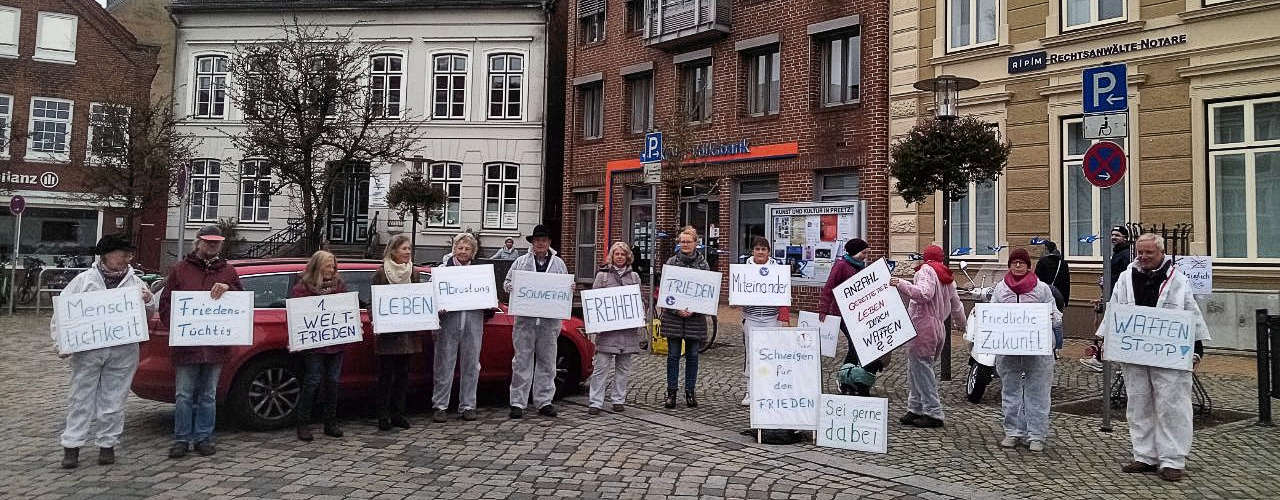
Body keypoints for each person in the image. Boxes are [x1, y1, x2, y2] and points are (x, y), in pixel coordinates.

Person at [1105, 233, 1209, 482]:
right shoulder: (1125, 278)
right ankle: (1144, 454)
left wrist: (1196, 349)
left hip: (1169, 354)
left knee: (1172, 404)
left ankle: (1172, 459)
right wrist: (1105, 342)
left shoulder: (1178, 280)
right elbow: (1115, 311)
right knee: (1138, 402)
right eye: (1140, 252)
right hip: (1135, 351)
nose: (1143, 257)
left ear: (1161, 253)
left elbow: (1191, 315)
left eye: (1149, 252)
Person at [53, 235, 154, 469]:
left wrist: (148, 301)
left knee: (115, 397)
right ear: (107, 255)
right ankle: (72, 445)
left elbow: (147, 315)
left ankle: (107, 444)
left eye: (129, 255)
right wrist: (61, 343)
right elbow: (63, 313)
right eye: (123, 254)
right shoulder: (84, 281)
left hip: (123, 350)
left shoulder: (135, 283)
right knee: (80, 397)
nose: (127, 259)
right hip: (89, 349)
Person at [157, 225, 244, 459]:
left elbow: (240, 303)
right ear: (198, 242)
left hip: (216, 346)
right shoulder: (180, 270)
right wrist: (178, 330)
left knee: (208, 395)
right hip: (187, 346)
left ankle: (204, 437)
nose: (212, 245)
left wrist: (229, 288)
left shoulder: (229, 272)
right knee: (184, 395)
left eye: (216, 242)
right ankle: (182, 439)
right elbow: (165, 304)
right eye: (207, 241)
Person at [990, 248, 1062, 452]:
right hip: (1009, 348)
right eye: (1014, 262)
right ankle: (1013, 431)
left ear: (1029, 266)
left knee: (1037, 391)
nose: (1018, 265)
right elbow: (993, 311)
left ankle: (1036, 435)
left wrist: (1051, 318)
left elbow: (1056, 315)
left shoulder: (1041, 288)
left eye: (1022, 262)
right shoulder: (1001, 288)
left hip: (1038, 349)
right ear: (1009, 265)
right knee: (1010, 390)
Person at [891, 244, 965, 428]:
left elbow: (924, 294)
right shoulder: (947, 276)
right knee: (916, 368)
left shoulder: (926, 270)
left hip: (923, 325)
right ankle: (915, 407)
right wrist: (962, 325)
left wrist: (901, 283)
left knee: (921, 370)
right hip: (938, 326)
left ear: (925, 257)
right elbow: (957, 305)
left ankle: (933, 412)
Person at [504, 224, 570, 419]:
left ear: (549, 242)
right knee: (521, 361)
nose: (540, 243)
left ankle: (544, 401)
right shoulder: (521, 262)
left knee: (547, 361)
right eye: (537, 240)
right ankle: (518, 402)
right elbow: (507, 282)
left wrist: (570, 288)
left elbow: (564, 288)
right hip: (525, 321)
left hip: (549, 322)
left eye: (544, 240)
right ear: (532, 243)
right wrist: (511, 287)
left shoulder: (558, 264)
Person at [290, 250, 350, 441]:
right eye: (327, 266)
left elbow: (346, 309)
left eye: (333, 266)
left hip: (335, 342)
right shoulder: (303, 288)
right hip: (314, 344)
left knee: (333, 381)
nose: (331, 269)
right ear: (317, 266)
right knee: (312, 381)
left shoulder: (339, 285)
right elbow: (298, 316)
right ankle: (303, 423)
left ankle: (330, 422)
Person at [818, 238, 886, 396]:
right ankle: (844, 377)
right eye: (863, 253)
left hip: (857, 314)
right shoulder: (841, 265)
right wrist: (823, 310)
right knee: (855, 346)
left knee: (857, 346)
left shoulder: (860, 266)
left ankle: (851, 378)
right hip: (841, 313)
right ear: (855, 252)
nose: (865, 256)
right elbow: (829, 287)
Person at [432, 233, 487, 422]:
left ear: (473, 252)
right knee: (444, 364)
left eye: (467, 248)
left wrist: (488, 304)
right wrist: (438, 308)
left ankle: (468, 405)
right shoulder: (442, 271)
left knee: (472, 365)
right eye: (460, 247)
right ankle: (440, 405)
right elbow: (431, 296)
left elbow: (489, 298)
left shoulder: (480, 273)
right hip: (448, 323)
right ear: (454, 249)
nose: (463, 251)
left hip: (473, 322)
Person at [371, 234, 423, 431]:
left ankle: (398, 413)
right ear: (393, 251)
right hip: (388, 334)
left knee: (403, 375)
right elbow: (373, 301)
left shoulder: (414, 273)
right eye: (404, 249)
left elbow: (419, 299)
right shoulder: (381, 273)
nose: (408, 252)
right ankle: (383, 415)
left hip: (407, 334)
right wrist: (376, 319)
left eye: (409, 249)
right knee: (386, 376)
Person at [586, 242, 644, 415]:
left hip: (627, 332)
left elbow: (639, 300)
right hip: (608, 332)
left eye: (622, 254)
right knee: (601, 368)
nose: (620, 257)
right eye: (617, 254)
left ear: (628, 257)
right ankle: (595, 402)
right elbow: (594, 302)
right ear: (612, 256)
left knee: (623, 368)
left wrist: (640, 312)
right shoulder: (602, 276)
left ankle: (618, 399)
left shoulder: (634, 277)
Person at [661, 226, 709, 409]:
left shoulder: (703, 264)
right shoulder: (671, 263)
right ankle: (671, 392)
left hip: (695, 319)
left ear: (696, 243)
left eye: (688, 241)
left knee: (693, 356)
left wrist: (694, 310)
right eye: (682, 241)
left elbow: (707, 293)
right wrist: (676, 310)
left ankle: (690, 391)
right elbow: (665, 291)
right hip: (674, 319)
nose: (685, 244)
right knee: (673, 356)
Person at [738, 236, 790, 406]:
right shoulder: (744, 269)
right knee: (751, 355)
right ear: (752, 251)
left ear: (768, 251)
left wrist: (784, 318)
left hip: (771, 318)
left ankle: (769, 390)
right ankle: (750, 391)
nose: (760, 252)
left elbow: (784, 293)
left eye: (763, 249)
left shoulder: (777, 269)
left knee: (770, 355)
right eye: (757, 249)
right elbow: (738, 290)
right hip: (751, 318)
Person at [1083, 226, 1134, 372]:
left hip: (1119, 298)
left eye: (1117, 235)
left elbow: (1123, 277)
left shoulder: (1125, 254)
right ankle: (1104, 358)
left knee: (1112, 328)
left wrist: (1108, 280)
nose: (1113, 237)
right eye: (1112, 235)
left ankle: (1101, 359)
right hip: (1112, 294)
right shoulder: (1118, 253)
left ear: (1125, 238)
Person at [1034, 240, 1071, 311]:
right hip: (1058, 297)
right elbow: (1066, 283)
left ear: (1046, 249)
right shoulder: (1063, 263)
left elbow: (1036, 281)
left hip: (1044, 297)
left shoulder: (1041, 262)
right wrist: (1066, 301)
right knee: (1057, 316)